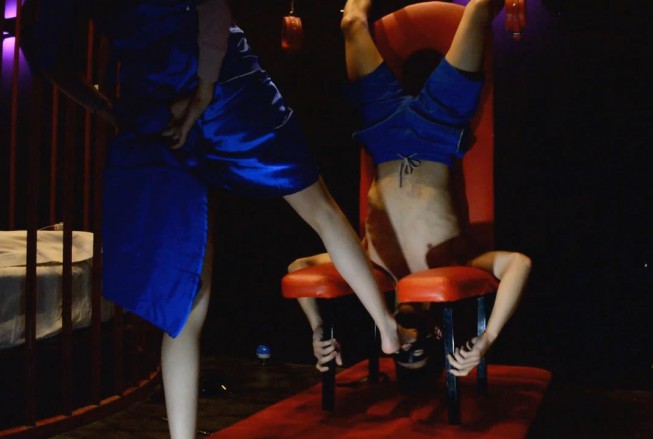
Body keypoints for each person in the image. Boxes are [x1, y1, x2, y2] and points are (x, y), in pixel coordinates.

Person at [21, 1, 400, 438]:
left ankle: (183, 435)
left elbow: (41, 50)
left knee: (186, 295)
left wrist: (105, 107)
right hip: (222, 85)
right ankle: (386, 327)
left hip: (157, 107)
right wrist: (202, 91)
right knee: (318, 208)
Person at [289, 0, 531, 380]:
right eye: (415, 351)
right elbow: (519, 264)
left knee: (351, 22)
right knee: (478, 10)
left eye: (399, 354)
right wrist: (488, 338)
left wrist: (317, 326)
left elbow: (299, 267)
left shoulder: (368, 270)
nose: (403, 345)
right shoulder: (456, 267)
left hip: (382, 131)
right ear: (436, 335)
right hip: (439, 129)